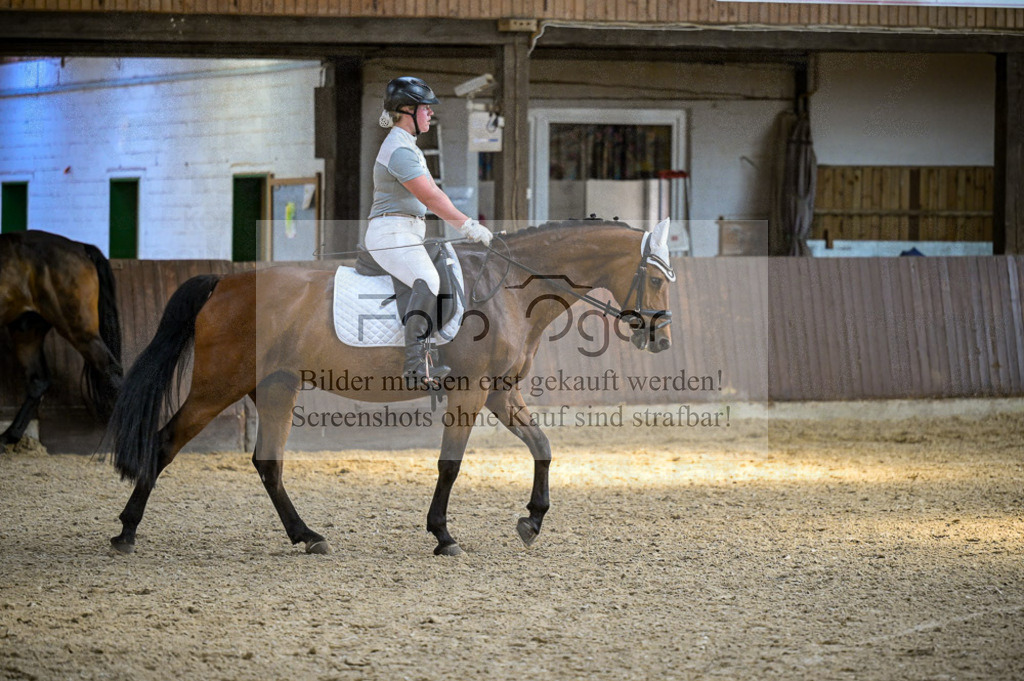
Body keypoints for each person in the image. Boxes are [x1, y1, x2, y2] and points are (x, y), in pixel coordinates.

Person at [366, 76, 493, 386]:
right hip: (390, 233)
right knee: (429, 279)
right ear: (407, 110)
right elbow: (431, 197)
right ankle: (415, 365)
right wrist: (469, 226)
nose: (431, 113)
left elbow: (437, 193)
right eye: (426, 108)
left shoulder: (408, 146)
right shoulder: (399, 149)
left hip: (407, 232)